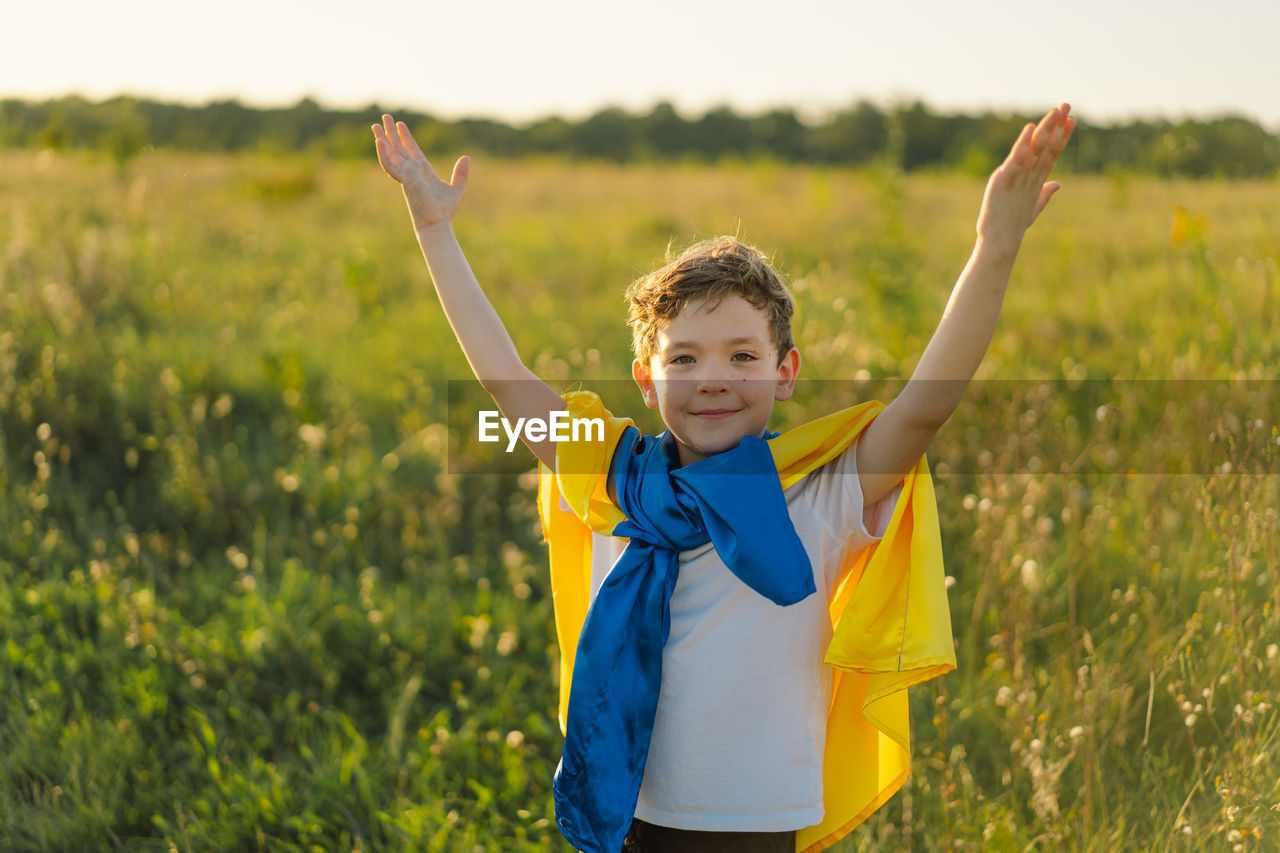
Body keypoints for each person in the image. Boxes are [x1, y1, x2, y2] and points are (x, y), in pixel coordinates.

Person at [373, 103, 1074, 852]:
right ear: (646, 378)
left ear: (786, 372)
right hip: (629, 798)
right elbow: (506, 382)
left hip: (755, 820)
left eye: (742, 356)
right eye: (685, 357)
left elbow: (927, 405)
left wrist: (994, 248)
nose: (713, 379)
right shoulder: (611, 472)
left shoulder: (819, 492)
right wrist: (434, 231)